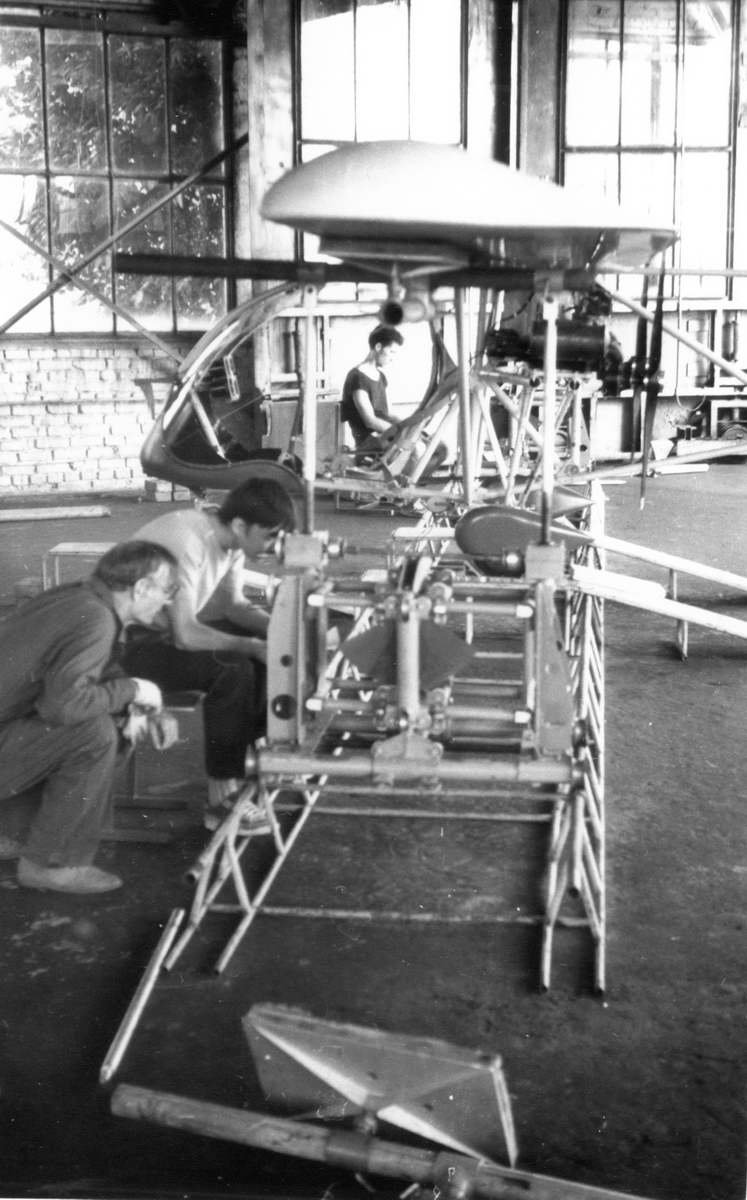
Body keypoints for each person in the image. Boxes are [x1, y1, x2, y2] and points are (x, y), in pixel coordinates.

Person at [0, 541, 181, 895]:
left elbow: (97, 671)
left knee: (103, 721)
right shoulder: (97, 618)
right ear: (142, 587)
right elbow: (65, 706)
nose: (167, 602)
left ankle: (14, 834)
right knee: (94, 735)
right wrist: (133, 690)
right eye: (167, 591)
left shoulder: (78, 597)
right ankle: (51, 864)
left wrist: (146, 703)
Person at [122, 476, 297, 829]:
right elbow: (186, 634)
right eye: (270, 536)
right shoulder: (186, 543)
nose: (274, 547)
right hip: (127, 647)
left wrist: (285, 632)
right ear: (241, 525)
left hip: (162, 634)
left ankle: (257, 757)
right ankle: (222, 798)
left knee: (267, 650)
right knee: (232, 668)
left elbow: (234, 607)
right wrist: (252, 646)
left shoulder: (231, 544)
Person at [340, 324, 404, 457]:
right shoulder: (357, 377)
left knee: (440, 448)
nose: (393, 358)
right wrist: (399, 433)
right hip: (370, 442)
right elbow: (370, 421)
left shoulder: (381, 377)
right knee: (417, 450)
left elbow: (388, 413)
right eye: (391, 352)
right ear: (378, 347)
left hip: (385, 436)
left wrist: (408, 425)